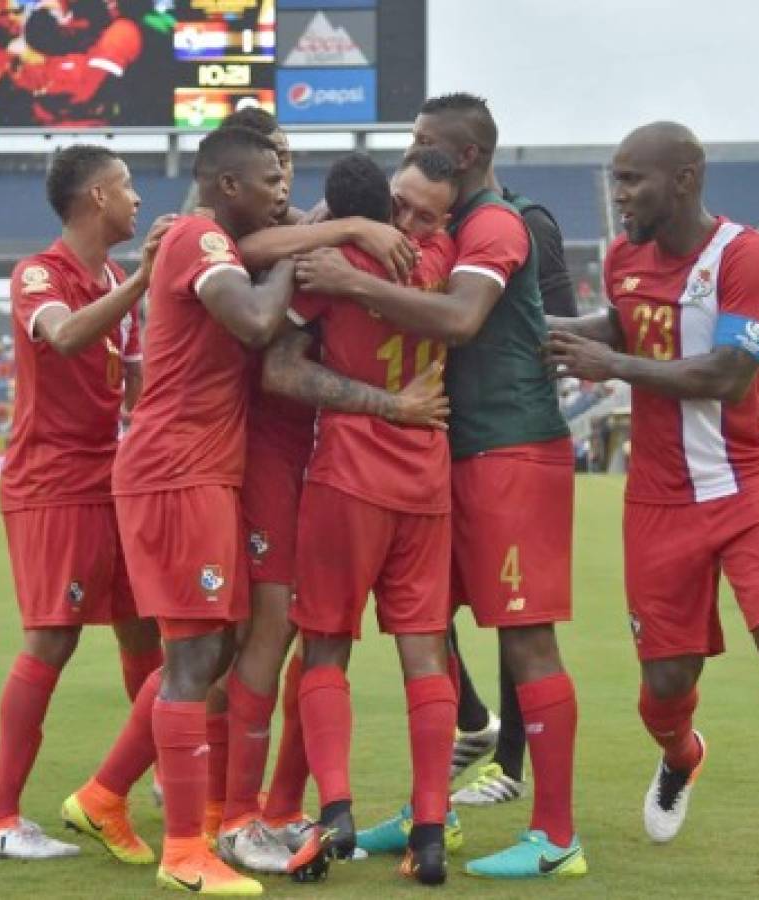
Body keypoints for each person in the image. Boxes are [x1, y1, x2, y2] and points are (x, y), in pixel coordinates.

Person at [544, 121, 759, 900]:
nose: (619, 196)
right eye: (614, 180)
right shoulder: (625, 255)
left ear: (686, 179)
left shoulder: (748, 257)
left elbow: (730, 373)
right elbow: (622, 325)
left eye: (632, 180)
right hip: (658, 502)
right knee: (663, 684)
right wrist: (552, 332)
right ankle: (681, 755)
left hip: (746, 485)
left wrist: (612, 366)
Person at [294, 92, 585, 880]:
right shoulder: (436, 229)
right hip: (442, 459)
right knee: (432, 631)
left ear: (459, 159)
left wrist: (347, 274)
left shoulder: (493, 223)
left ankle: (555, 835)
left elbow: (456, 321)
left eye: (425, 143)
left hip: (507, 448)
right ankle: (435, 814)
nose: (412, 154)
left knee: (524, 636)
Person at [62, 126, 293, 897]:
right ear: (227, 186)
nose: (281, 192)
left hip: (203, 474)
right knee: (194, 659)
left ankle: (101, 797)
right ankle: (184, 850)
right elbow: (257, 323)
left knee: (214, 647)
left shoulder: (213, 244)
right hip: (175, 473)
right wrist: (297, 249)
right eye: (268, 180)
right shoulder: (198, 238)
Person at [212, 106, 422, 875]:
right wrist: (349, 233)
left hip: (308, 456)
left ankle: (275, 804)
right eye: (274, 163)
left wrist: (345, 230)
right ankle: (228, 809)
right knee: (250, 636)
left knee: (296, 632)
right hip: (259, 451)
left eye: (291, 161)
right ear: (238, 173)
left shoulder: (313, 223)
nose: (286, 178)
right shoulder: (220, 231)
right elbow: (257, 255)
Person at [259, 152, 459, 886]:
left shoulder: (335, 258)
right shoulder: (447, 257)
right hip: (426, 478)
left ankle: (334, 811)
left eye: (422, 213)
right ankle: (429, 834)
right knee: (424, 655)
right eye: (400, 205)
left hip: (348, 476)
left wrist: (330, 234)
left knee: (324, 652)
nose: (406, 223)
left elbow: (280, 369)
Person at [0, 145, 172, 860]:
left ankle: (154, 780)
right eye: (126, 186)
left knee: (146, 628)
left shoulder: (114, 275)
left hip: (110, 476)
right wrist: (146, 279)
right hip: (52, 481)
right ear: (94, 197)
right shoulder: (40, 274)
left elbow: (135, 385)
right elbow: (62, 336)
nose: (136, 199)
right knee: (53, 637)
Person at [449, 179, 581, 807]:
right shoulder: (440, 220)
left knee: (519, 618)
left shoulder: (524, 221)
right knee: (417, 606)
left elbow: (556, 322)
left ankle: (511, 767)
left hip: (509, 438)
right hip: (449, 440)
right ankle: (472, 721)